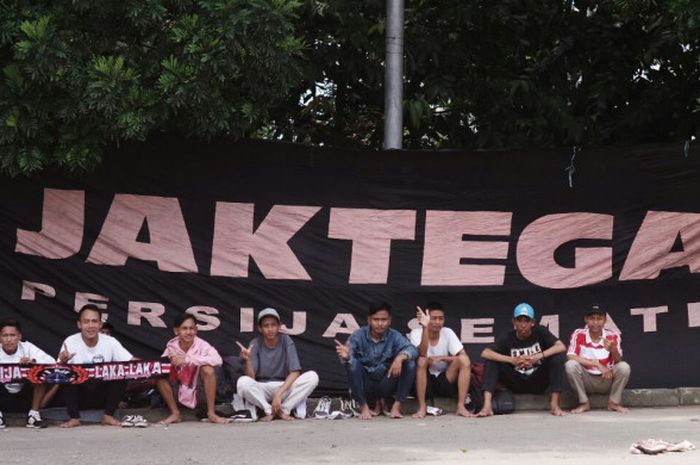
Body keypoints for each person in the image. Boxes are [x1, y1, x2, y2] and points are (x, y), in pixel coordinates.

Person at [477, 303, 567, 417]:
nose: (523, 325)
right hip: (515, 381)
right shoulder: (507, 337)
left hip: (537, 381)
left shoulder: (540, 332)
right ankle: (487, 406)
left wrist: (538, 356)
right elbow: (485, 353)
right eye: (519, 321)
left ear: (532, 322)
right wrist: (512, 360)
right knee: (491, 361)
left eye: (527, 321)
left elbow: (561, 346)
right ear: (514, 322)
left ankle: (554, 405)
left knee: (557, 358)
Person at [335, 302, 418, 420]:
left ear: (390, 320)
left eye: (384, 319)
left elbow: (413, 349)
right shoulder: (358, 335)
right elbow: (347, 355)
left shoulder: (394, 336)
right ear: (369, 320)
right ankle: (364, 407)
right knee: (351, 364)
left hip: (386, 382)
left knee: (410, 362)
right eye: (376, 319)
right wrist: (346, 357)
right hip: (366, 384)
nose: (380, 323)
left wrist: (400, 357)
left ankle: (396, 406)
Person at [57, 304, 134, 428]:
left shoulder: (111, 341)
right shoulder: (70, 341)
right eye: (86, 321)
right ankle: (74, 418)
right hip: (79, 396)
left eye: (94, 321)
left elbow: (131, 362)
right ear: (79, 324)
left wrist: (153, 366)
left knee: (120, 371)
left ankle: (108, 416)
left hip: (102, 396)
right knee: (66, 373)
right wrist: (63, 361)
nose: (90, 325)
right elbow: (56, 372)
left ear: (100, 324)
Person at [237, 308, 319, 421]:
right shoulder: (255, 343)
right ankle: (269, 410)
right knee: (242, 382)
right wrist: (248, 360)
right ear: (260, 328)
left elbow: (295, 372)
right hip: (263, 387)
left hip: (283, 386)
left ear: (279, 326)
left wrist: (278, 395)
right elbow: (251, 378)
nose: (270, 329)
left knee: (312, 377)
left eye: (273, 325)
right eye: (266, 326)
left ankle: (284, 410)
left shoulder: (286, 340)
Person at [157, 312, 230, 424]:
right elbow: (160, 366)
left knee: (208, 370)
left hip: (200, 392)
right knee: (160, 375)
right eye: (184, 328)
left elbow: (218, 360)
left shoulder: (202, 345)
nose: (188, 332)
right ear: (176, 331)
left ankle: (211, 413)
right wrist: (171, 362)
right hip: (178, 391)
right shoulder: (171, 347)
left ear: (196, 330)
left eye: (191, 328)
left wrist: (188, 360)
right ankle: (175, 413)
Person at [409, 302, 473, 418]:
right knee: (422, 361)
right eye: (433, 318)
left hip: (445, 380)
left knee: (464, 360)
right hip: (425, 381)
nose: (438, 322)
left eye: (441, 319)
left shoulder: (447, 332)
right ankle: (422, 407)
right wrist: (424, 327)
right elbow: (422, 354)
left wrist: (443, 358)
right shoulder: (416, 333)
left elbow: (464, 356)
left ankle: (461, 406)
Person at [565, 304, 631, 413]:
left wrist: (613, 350)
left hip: (607, 378)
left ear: (605, 320)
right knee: (570, 365)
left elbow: (618, 361)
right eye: (592, 319)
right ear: (586, 319)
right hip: (586, 380)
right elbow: (570, 356)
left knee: (624, 367)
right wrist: (597, 365)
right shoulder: (578, 333)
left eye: (599, 319)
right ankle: (584, 403)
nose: (595, 323)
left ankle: (613, 403)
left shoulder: (613, 335)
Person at [0, 319, 55, 428]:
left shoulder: (27, 347)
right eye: (5, 335)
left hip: (25, 395)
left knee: (39, 373)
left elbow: (51, 362)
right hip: (3, 395)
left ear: (19, 337)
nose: (9, 339)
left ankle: (33, 416)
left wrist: (32, 362)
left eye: (12, 335)